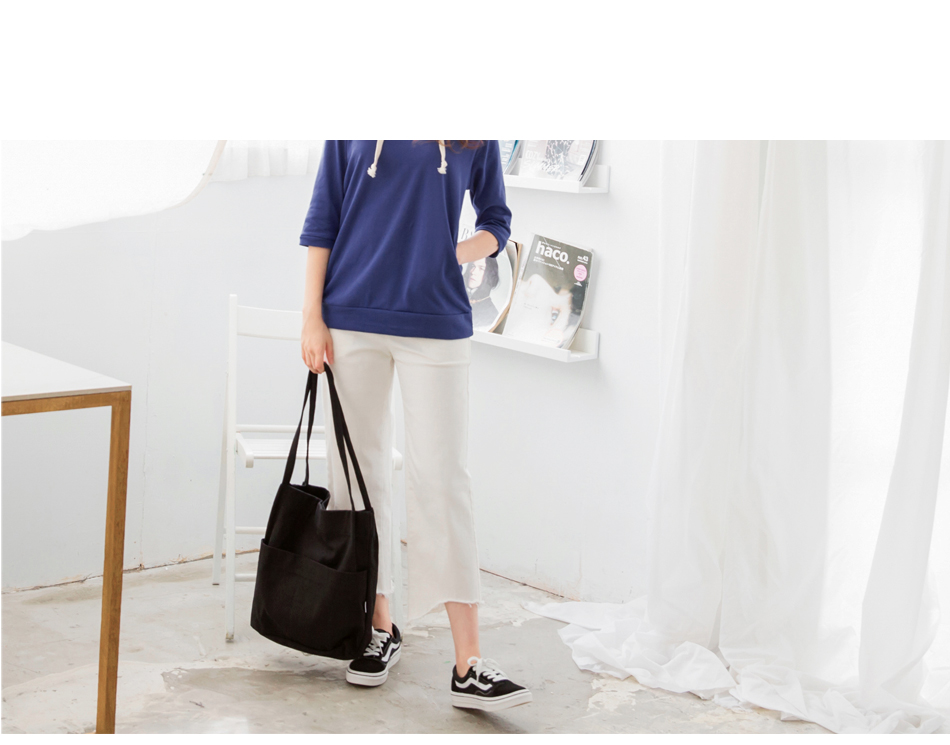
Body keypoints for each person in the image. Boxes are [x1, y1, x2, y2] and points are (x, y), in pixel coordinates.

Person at [298, 140, 532, 712]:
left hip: (436, 318)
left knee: (443, 481)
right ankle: (378, 626)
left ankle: (469, 662)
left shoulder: (472, 128)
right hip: (350, 316)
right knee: (357, 478)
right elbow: (323, 217)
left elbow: (497, 221)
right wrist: (311, 317)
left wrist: (448, 252)